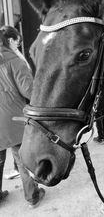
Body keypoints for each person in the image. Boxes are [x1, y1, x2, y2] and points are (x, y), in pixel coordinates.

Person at [0, 25, 45, 207]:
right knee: (22, 158)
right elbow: (29, 90)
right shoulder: (13, 60)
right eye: (17, 42)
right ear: (10, 41)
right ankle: (32, 196)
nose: (18, 46)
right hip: (13, 119)